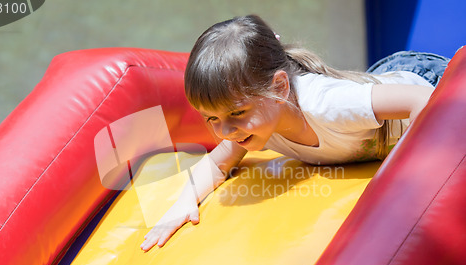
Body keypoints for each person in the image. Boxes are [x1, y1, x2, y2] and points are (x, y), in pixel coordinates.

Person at [140, 14, 449, 252]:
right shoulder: (256, 123)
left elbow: (421, 101)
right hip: (378, 85)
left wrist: (402, 174)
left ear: (279, 87)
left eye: (235, 113)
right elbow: (216, 164)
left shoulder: (326, 104)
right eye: (211, 119)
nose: (225, 131)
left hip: (429, 79)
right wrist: (183, 202)